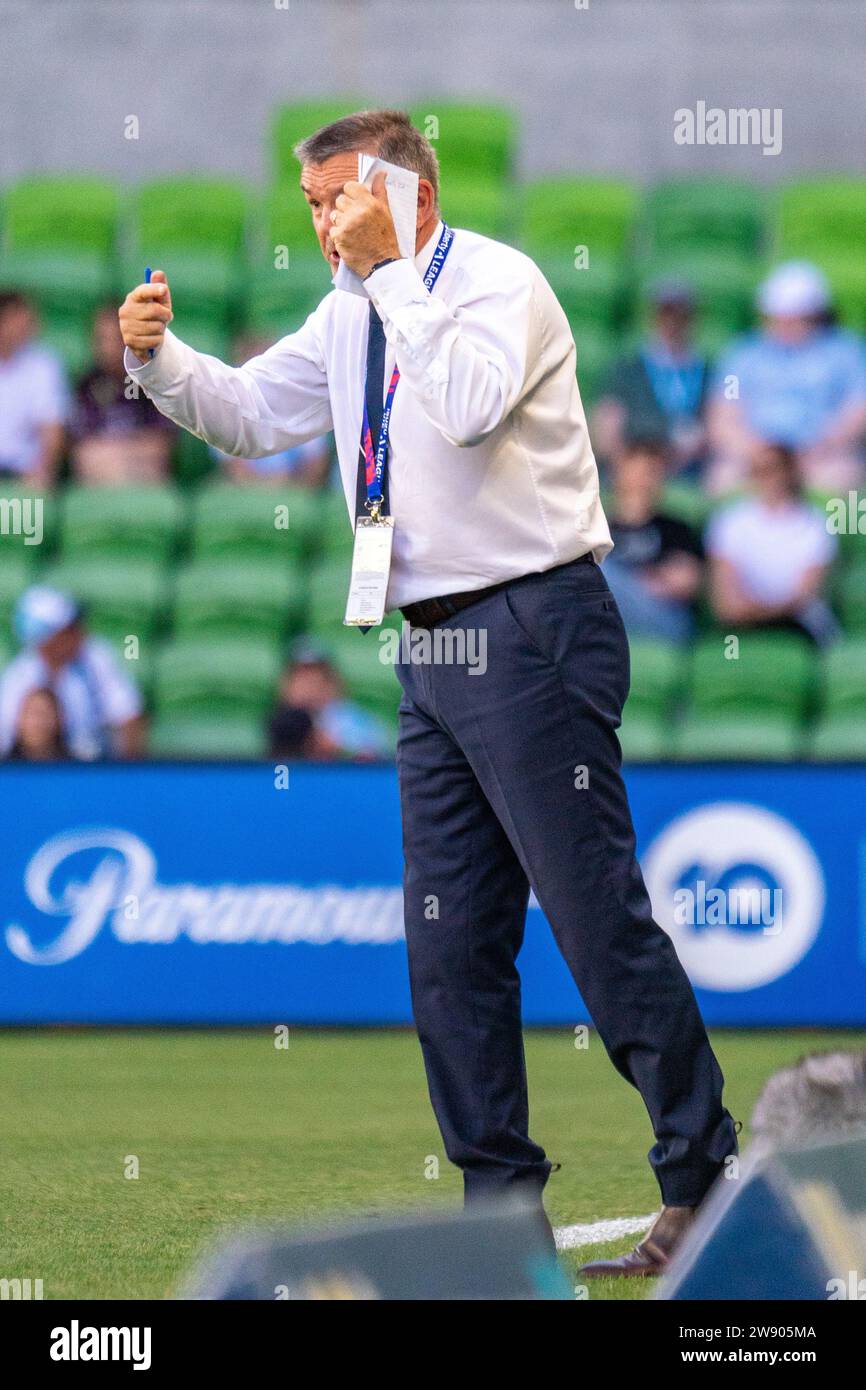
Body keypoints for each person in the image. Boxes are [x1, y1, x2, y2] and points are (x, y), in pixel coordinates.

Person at [118, 108, 737, 1272]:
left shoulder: (496, 284)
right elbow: (254, 417)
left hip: (532, 619)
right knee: (447, 946)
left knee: (594, 918)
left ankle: (701, 1178)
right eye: (308, 204)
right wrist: (160, 362)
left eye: (337, 198)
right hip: (432, 645)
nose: (320, 223)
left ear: (405, 190)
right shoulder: (352, 304)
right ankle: (501, 1217)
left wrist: (390, 272)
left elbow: (460, 404)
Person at [707, 261, 866, 494]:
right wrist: (756, 452)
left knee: (842, 479)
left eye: (796, 318)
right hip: (755, 456)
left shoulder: (846, 352)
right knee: (723, 480)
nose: (784, 325)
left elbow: (857, 410)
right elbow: (725, 412)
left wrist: (821, 446)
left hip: (820, 458)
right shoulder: (743, 357)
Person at [706, 441, 838, 646]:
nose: (766, 478)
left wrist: (762, 611)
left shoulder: (815, 524)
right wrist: (749, 611)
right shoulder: (730, 521)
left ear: (790, 472)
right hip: (743, 621)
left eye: (772, 469)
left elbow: (805, 594)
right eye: (758, 470)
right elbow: (724, 596)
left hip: (796, 621)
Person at [0, 586, 146, 760]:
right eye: (68, 628)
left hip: (96, 768)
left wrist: (125, 774)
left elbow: (128, 714)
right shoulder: (18, 678)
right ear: (45, 637)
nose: (79, 632)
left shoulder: (95, 655)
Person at [593, 279, 710, 478]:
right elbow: (607, 421)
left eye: (680, 314)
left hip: (688, 466)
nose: (672, 322)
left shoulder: (706, 372)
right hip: (634, 455)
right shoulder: (627, 369)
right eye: (666, 313)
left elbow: (717, 422)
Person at [604, 437, 704, 643]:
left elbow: (685, 583)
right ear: (618, 473)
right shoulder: (601, 528)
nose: (645, 479)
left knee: (601, 572)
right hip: (610, 611)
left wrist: (633, 582)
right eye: (638, 470)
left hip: (663, 617)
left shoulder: (674, 527)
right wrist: (655, 575)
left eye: (653, 472)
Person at [69, 304, 175, 484]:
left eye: (115, 339)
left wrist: (114, 454)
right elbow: (82, 452)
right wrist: (127, 454)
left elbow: (160, 448)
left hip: (145, 477)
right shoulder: (86, 384)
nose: (108, 347)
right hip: (99, 479)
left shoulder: (152, 379)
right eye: (101, 339)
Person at [209, 333, 332, 487]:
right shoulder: (227, 412)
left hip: (294, 492)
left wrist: (288, 484)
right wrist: (272, 484)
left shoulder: (303, 404)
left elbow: (316, 466)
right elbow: (236, 471)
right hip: (249, 494)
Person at [271, 641, 391, 760]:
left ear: (331, 681)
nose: (307, 684)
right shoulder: (278, 721)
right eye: (300, 675)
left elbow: (374, 754)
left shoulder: (352, 718)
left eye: (316, 673)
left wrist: (337, 748)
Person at [0, 290, 67, 487]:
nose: (26, 327)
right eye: (16, 320)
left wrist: (43, 471)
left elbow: (52, 429)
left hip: (22, 473)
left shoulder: (44, 365)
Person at [6, 686, 69, 761]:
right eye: (32, 713)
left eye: (45, 713)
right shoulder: (3, 767)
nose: (38, 721)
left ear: (60, 720)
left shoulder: (77, 768)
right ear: (18, 720)